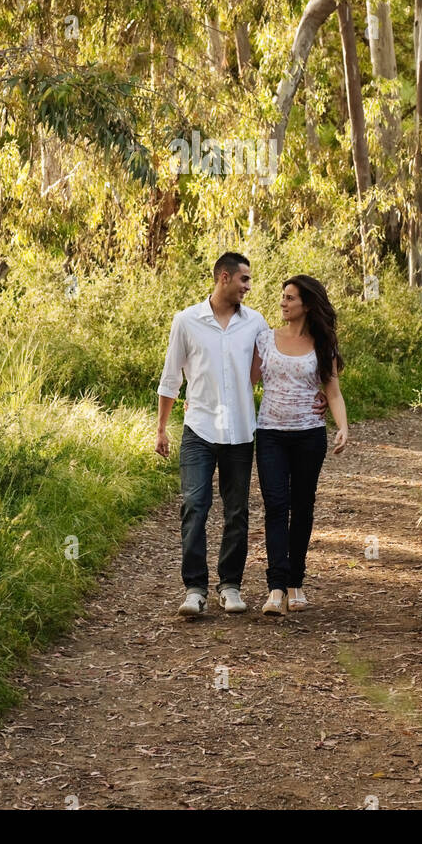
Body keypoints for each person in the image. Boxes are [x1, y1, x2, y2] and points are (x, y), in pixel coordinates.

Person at [156, 252, 269, 617]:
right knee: (194, 506)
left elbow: (262, 370)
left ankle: (230, 585)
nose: (248, 287)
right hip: (199, 430)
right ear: (224, 277)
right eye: (244, 280)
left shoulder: (255, 323)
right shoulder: (187, 321)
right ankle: (195, 588)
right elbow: (171, 377)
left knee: (237, 510)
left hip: (240, 430)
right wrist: (161, 428)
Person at [250, 274, 348, 616]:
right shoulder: (264, 339)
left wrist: (343, 427)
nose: (283, 302)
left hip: (309, 434)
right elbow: (246, 383)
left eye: (290, 298)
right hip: (271, 434)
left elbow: (332, 390)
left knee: (303, 507)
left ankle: (296, 584)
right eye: (282, 296)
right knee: (276, 506)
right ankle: (275, 588)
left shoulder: (323, 343)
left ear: (306, 305)